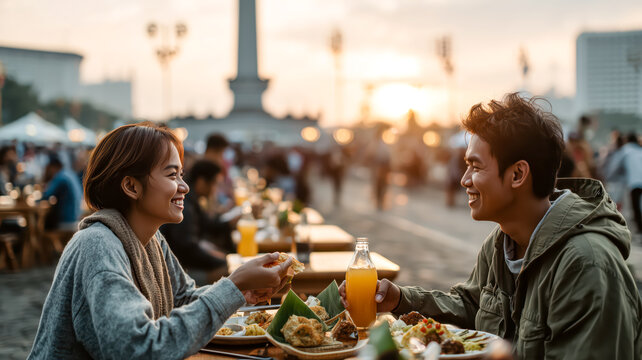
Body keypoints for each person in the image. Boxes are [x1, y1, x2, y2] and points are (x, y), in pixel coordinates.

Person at [340, 93, 642, 359]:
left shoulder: (586, 266)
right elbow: (471, 305)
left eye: (475, 166)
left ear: (517, 174)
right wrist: (400, 300)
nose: (464, 180)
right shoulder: (502, 241)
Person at [28, 122, 293, 359]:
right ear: (132, 186)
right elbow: (137, 349)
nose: (184, 186)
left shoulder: (151, 238)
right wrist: (233, 284)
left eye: (181, 174)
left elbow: (182, 299)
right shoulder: (98, 246)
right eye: (171, 175)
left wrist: (242, 292)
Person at [161, 159, 235, 279]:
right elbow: (188, 250)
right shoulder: (184, 205)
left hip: (182, 264)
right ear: (201, 182)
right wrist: (222, 260)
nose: (215, 189)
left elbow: (206, 224)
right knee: (227, 270)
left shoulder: (191, 201)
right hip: (177, 273)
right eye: (214, 183)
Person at [605, 132, 642, 238]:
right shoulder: (640, 150)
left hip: (634, 182)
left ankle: (638, 231)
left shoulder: (625, 150)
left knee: (634, 207)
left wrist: (608, 178)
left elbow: (614, 167)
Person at [41, 154, 83, 230]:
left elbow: (47, 195)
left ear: (52, 167)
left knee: (44, 225)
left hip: (66, 221)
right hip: (76, 217)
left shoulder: (61, 177)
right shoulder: (70, 173)